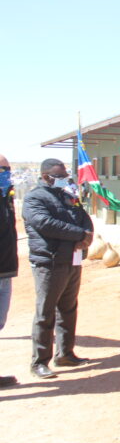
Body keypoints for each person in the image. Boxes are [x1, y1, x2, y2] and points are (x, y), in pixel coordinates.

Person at [22, 158, 94, 379]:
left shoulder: (67, 196)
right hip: (49, 262)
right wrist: (79, 235)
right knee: (45, 313)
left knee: (68, 308)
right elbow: (45, 224)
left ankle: (65, 353)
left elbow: (83, 218)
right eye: (59, 176)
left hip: (72, 259)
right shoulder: (34, 198)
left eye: (65, 175)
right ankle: (39, 362)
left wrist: (86, 234)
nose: (64, 179)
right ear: (46, 177)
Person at [0, 154, 19, 386]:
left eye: (7, 169)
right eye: (2, 169)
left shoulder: (6, 198)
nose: (5, 173)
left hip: (5, 270)